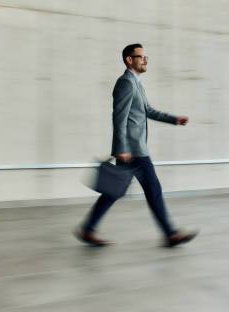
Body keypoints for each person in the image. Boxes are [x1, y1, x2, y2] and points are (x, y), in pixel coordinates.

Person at [75, 43, 198, 247]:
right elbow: (119, 117)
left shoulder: (137, 84)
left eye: (145, 56)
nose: (145, 60)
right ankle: (170, 233)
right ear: (129, 60)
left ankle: (87, 229)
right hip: (133, 150)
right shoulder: (125, 83)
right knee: (153, 189)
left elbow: (148, 110)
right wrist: (121, 148)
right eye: (140, 57)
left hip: (133, 149)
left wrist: (174, 119)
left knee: (115, 190)